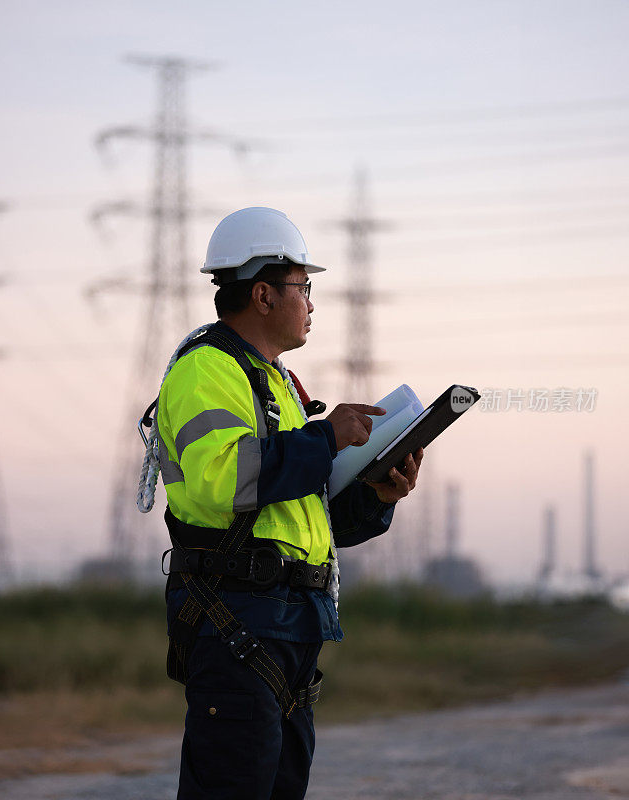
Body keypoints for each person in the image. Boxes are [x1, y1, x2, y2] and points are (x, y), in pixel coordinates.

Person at [151, 207, 424, 799]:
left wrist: (376, 496)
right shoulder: (207, 371)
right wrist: (327, 437)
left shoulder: (277, 384)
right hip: (237, 622)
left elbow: (302, 519)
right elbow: (229, 481)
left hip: (284, 626)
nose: (311, 301)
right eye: (304, 286)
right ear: (264, 294)